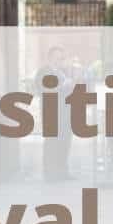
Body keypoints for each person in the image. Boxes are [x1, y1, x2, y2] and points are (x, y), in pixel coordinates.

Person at [34, 46, 74, 182]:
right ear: (50, 58)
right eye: (58, 58)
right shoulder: (43, 72)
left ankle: (62, 170)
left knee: (65, 141)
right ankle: (50, 173)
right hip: (51, 111)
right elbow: (43, 89)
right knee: (52, 142)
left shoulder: (62, 71)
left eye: (62, 58)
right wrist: (63, 86)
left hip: (65, 112)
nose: (60, 61)